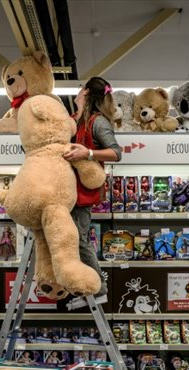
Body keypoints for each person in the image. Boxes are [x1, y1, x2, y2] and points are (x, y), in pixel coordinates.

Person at [63, 77, 122, 299]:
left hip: (82, 194)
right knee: (68, 240)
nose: (77, 93)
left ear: (86, 93)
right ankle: (81, 287)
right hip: (66, 190)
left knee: (79, 240)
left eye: (80, 89)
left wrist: (87, 153)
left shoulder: (97, 122)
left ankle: (99, 290)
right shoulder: (74, 120)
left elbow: (116, 153)